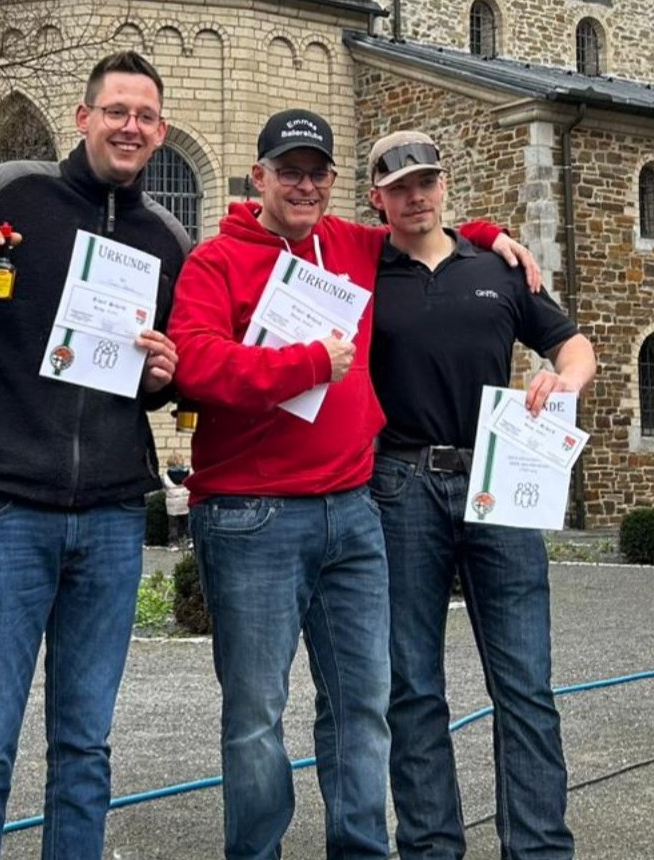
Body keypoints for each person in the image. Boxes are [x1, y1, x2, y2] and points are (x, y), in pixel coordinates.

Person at [167, 109, 537, 860]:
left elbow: (423, 222)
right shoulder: (214, 262)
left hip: (353, 510)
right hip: (251, 516)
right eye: (289, 170)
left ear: (337, 184)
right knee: (255, 716)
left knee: (364, 708)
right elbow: (195, 364)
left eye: (317, 171)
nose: (304, 184)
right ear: (259, 178)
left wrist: (491, 233)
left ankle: (361, 851)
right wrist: (304, 364)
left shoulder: (349, 245)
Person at [0, 50, 189, 860]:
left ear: (159, 134)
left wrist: (165, 375)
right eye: (116, 110)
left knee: (85, 746)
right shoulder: (11, 193)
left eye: (146, 117)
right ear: (84, 117)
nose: (131, 126)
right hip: (10, 506)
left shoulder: (167, 237)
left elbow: (161, 379)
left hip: (115, 516)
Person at [366, 130, 597, 860]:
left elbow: (575, 344)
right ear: (378, 198)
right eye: (400, 186)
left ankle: (537, 849)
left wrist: (564, 381)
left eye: (426, 181)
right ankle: (431, 848)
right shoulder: (361, 271)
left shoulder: (497, 268)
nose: (416, 196)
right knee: (412, 686)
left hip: (503, 479)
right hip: (401, 481)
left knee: (525, 682)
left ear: (443, 186)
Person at [161, 454, 190, 545]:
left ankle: (173, 542)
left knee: (173, 525)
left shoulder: (165, 476)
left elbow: (163, 487)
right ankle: (189, 540)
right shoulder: (189, 474)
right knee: (187, 523)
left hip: (172, 504)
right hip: (185, 502)